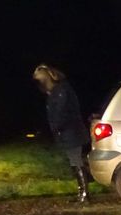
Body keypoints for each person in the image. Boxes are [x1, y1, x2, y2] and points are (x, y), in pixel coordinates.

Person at [32, 64, 90, 203]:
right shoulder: (57, 90)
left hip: (71, 131)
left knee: (76, 161)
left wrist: (57, 127)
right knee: (74, 162)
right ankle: (82, 193)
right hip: (68, 131)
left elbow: (61, 112)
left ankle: (84, 194)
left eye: (39, 80)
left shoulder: (61, 90)